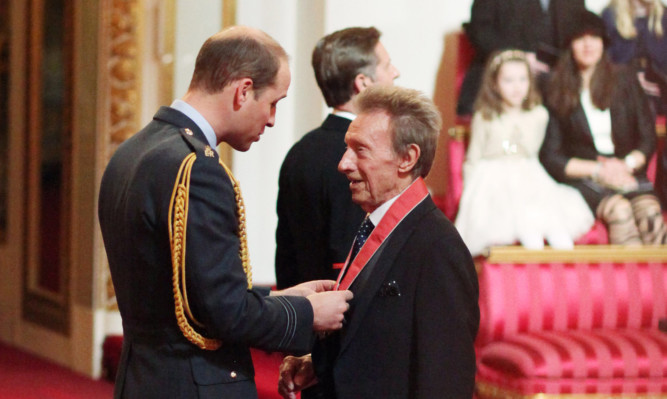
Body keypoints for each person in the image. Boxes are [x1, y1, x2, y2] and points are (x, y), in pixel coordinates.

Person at [98, 26, 353, 399]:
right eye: (273, 102)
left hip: (143, 379)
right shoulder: (197, 170)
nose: (272, 120)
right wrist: (309, 315)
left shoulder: (132, 152)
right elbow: (226, 315)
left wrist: (284, 299)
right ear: (243, 90)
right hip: (194, 385)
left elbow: (192, 294)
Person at [278, 86, 480, 399]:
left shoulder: (439, 248)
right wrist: (317, 365)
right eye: (347, 148)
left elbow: (445, 380)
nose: (343, 163)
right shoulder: (374, 224)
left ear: (407, 158)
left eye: (360, 150)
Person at [275, 27, 400, 289]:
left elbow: (286, 254)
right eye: (387, 66)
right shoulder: (369, 154)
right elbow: (355, 255)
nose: (395, 73)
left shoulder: (299, 151)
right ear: (363, 83)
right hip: (343, 312)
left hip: (300, 312)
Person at [540, 11, 667, 245]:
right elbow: (552, 157)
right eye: (581, 38)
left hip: (627, 170)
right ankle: (629, 281)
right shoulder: (555, 89)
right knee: (620, 212)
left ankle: (657, 281)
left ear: (603, 43)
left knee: (650, 212)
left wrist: (625, 165)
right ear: (570, 45)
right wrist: (599, 170)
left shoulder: (625, 80)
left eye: (595, 37)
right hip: (587, 178)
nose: (589, 44)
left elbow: (647, 137)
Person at [454, 49, 594, 256]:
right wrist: (468, 195)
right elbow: (473, 158)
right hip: (493, 178)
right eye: (508, 81)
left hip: (527, 172)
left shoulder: (538, 115)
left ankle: (561, 266)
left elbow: (533, 152)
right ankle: (530, 257)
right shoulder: (485, 116)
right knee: (525, 228)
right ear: (494, 84)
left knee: (553, 223)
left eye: (522, 80)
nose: (517, 87)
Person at [457, 0, 587, 116]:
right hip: (503, 79)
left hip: (557, 82)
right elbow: (479, 31)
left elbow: (581, 31)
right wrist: (517, 58)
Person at [602, 0, 667, 115]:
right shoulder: (610, 15)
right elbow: (605, 64)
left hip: (661, 98)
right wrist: (633, 82)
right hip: (625, 98)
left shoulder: (663, 15)